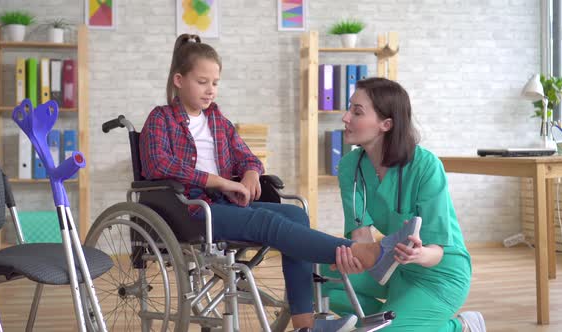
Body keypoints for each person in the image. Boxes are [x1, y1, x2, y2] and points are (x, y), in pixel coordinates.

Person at [139, 34, 421, 332]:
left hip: (222, 205)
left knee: (296, 214)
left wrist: (249, 173)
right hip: (190, 210)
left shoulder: (216, 119)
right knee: (266, 222)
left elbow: (246, 157)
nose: (211, 90)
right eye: (202, 82)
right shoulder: (161, 119)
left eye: (216, 82)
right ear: (180, 80)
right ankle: (369, 253)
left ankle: (304, 324)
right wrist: (220, 182)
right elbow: (159, 165)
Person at [320, 77, 486, 332]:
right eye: (348, 108)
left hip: (438, 273)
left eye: (357, 112)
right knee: (315, 273)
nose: (345, 117)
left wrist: (418, 254)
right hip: (394, 266)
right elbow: (362, 237)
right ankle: (402, 321)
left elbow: (436, 252)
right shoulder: (349, 166)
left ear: (386, 124)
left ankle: (459, 327)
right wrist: (355, 258)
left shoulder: (426, 166)